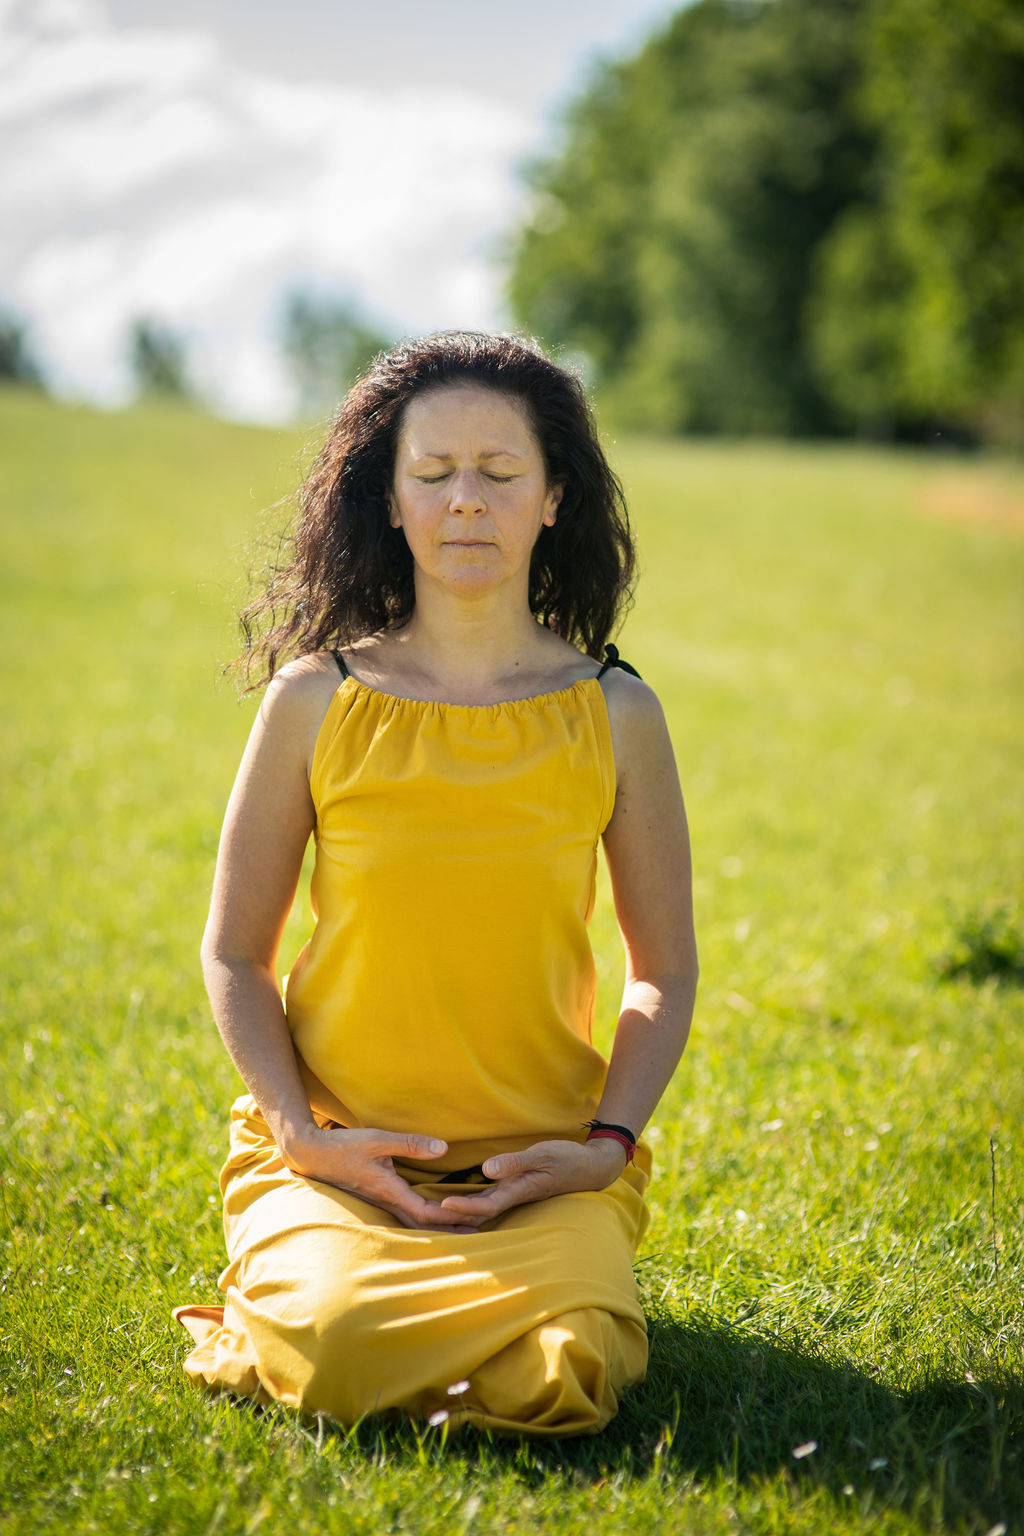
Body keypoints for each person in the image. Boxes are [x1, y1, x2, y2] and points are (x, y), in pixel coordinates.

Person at [174, 331, 698, 1437]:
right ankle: (325, 1290)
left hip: (540, 1170)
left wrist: (602, 1150)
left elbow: (662, 972)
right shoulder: (313, 701)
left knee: (569, 1370)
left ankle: (468, 1310)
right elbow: (234, 953)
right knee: (334, 1344)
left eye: (501, 473)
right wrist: (300, 1133)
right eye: (435, 473)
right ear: (391, 498)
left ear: (553, 498)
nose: (467, 500)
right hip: (334, 1157)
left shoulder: (617, 713)